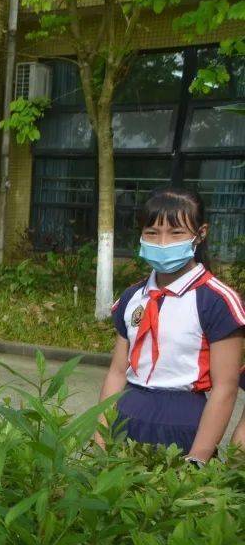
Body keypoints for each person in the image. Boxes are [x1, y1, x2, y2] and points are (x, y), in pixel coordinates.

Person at [100, 188, 243, 464]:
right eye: (152, 233)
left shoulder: (216, 301)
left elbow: (226, 387)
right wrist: (100, 437)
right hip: (126, 417)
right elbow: (117, 372)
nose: (163, 243)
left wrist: (197, 458)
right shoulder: (132, 296)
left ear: (200, 234)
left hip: (183, 426)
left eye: (176, 233)